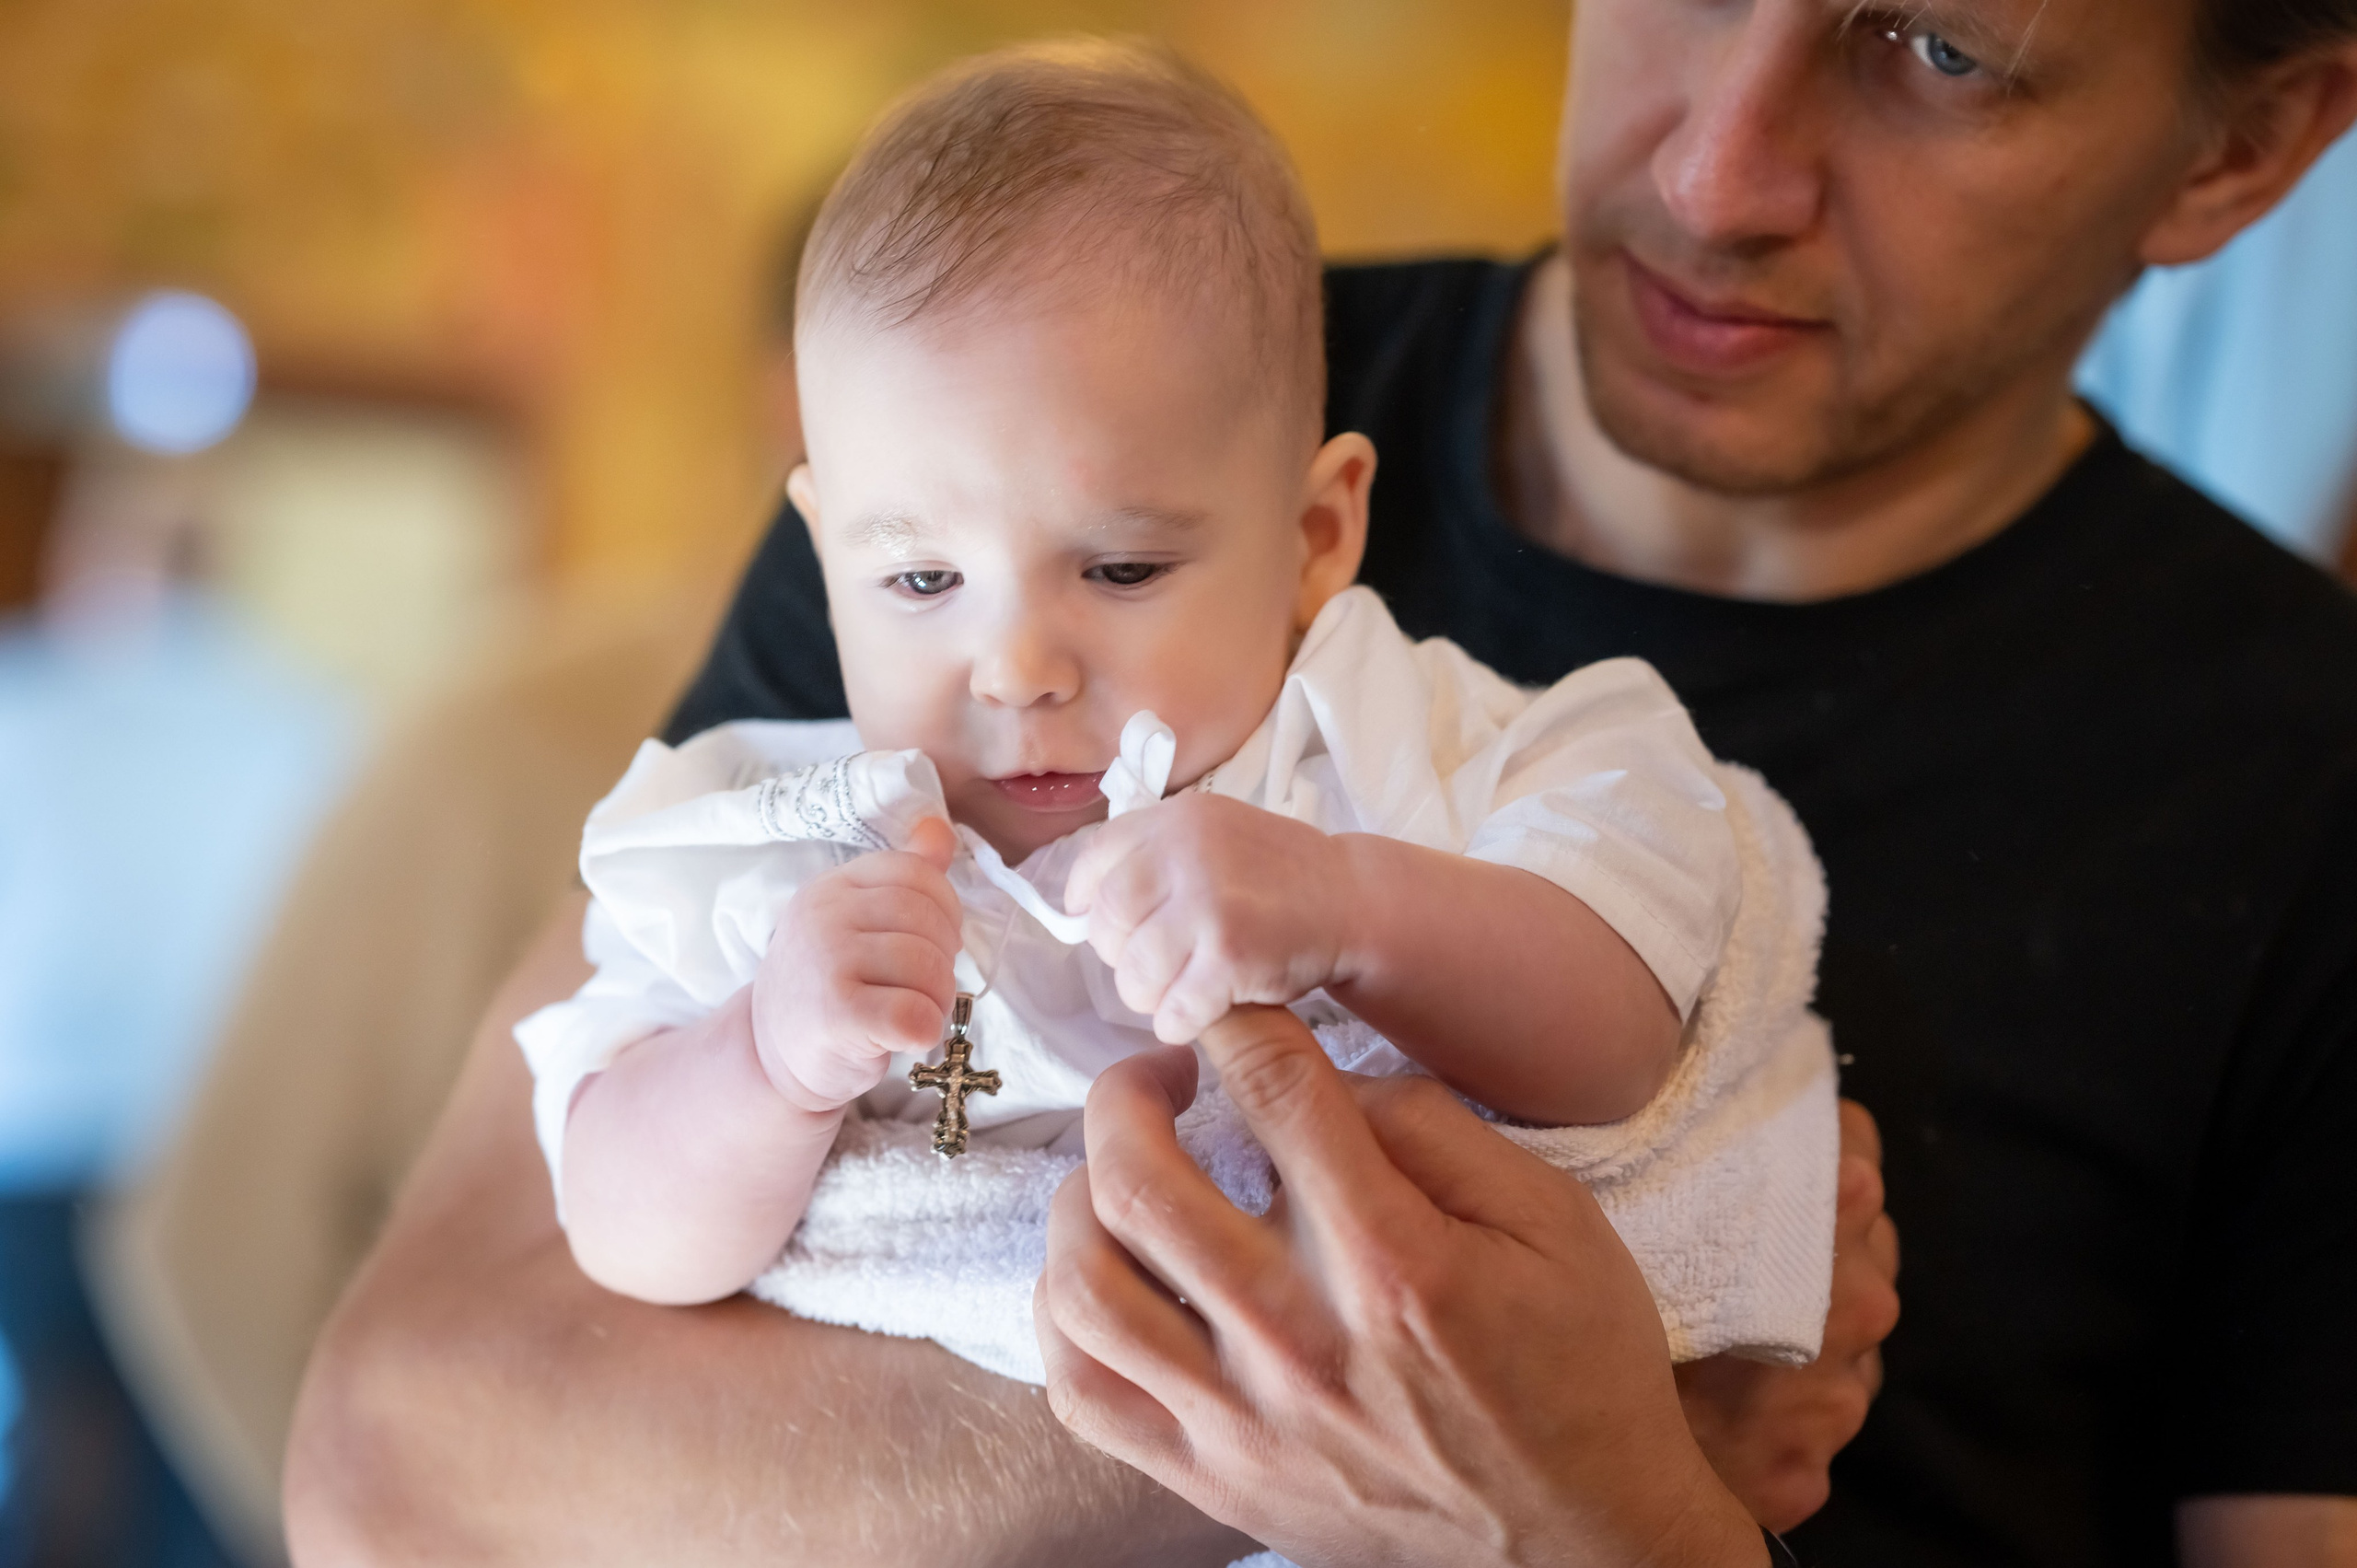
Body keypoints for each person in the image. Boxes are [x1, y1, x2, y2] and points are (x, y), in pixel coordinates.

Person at [288, 0, 2357, 1562]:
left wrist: (1626, 1543)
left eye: (1937, 46)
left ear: (2242, 141)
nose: (1720, 169)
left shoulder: (2289, 788)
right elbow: (407, 1470)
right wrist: (1524, 1417)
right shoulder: (1010, 412)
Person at [526, 45, 1836, 1399]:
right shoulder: (781, 855)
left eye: (1120, 570)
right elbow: (623, 1233)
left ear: (1317, 533)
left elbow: (1621, 1043)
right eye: (921, 581)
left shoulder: (1431, 754)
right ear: (825, 560)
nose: (1017, 668)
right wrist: (761, 1059)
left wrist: (1357, 909)